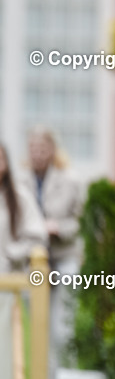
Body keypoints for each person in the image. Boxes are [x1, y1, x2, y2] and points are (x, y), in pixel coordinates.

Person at [19, 127, 83, 374]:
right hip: (32, 260)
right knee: (38, 324)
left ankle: (65, 372)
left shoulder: (70, 180)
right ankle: (44, 373)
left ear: (53, 149)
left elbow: (80, 221)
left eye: (43, 148)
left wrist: (59, 227)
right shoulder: (19, 180)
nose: (38, 154)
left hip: (62, 257)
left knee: (62, 326)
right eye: (33, 149)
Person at [0, 141, 47, 379]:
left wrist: (13, 253)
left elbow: (38, 235)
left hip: (9, 285)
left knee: (8, 348)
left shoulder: (19, 197)